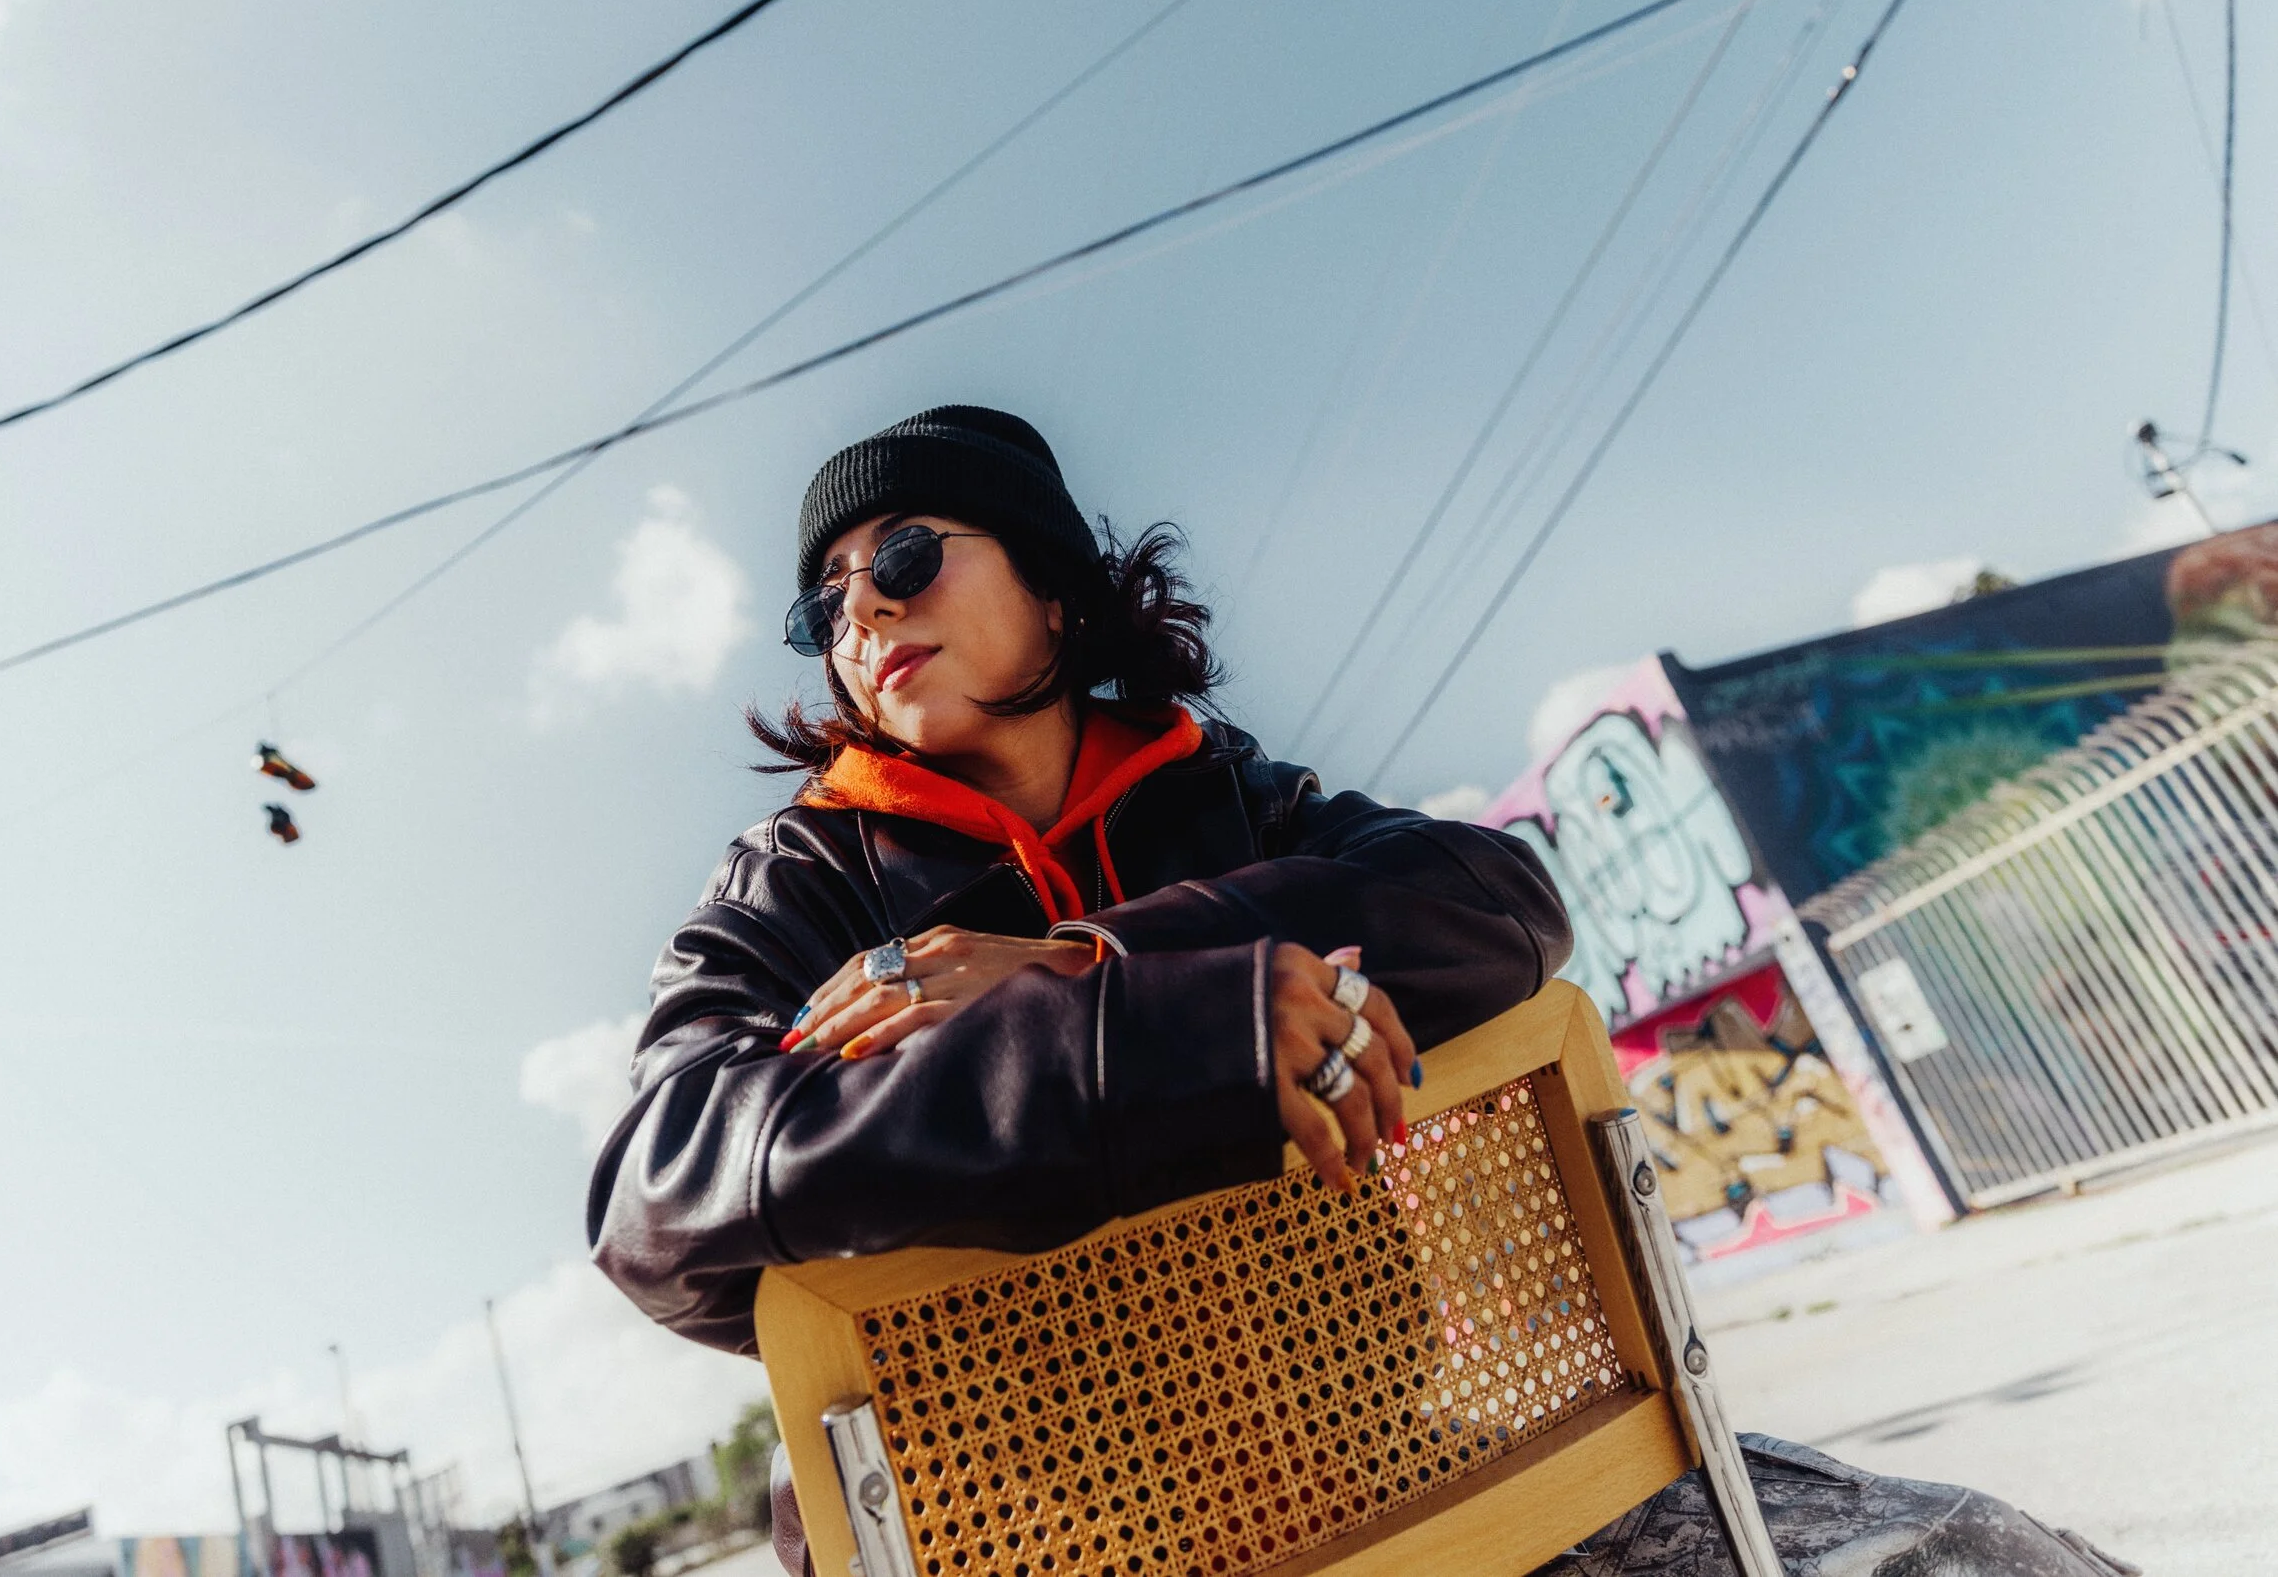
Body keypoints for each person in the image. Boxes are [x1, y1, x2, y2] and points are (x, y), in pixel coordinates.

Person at [586, 407, 2136, 1577]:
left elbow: (1504, 903)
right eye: (825, 602)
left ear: (1055, 593)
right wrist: (1148, 1037)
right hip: (1028, 1541)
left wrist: (1090, 959)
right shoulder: (790, 883)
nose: (861, 609)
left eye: (907, 554)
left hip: (1380, 1464)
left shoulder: (1227, 789)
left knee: (1984, 1550)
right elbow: (656, 1190)